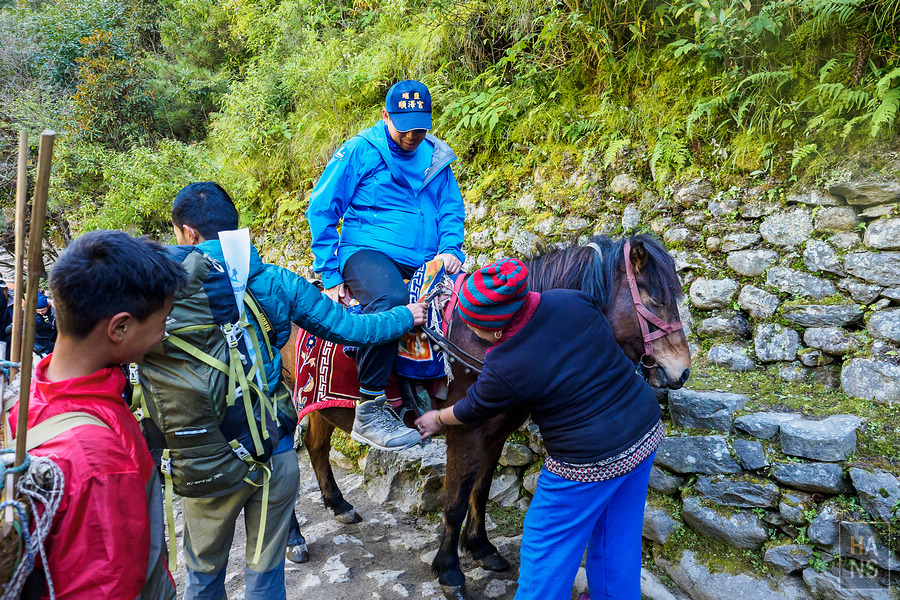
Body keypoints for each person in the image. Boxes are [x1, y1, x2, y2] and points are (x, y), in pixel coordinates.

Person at [170, 182, 426, 600]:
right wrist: (404, 315)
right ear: (234, 227)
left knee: (203, 573)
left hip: (206, 456)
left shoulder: (162, 293)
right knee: (267, 571)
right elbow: (354, 328)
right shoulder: (278, 282)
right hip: (272, 445)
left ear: (188, 233)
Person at [416, 259, 663, 600]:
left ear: (496, 330)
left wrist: (437, 418)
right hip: (644, 429)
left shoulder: (506, 363)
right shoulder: (571, 298)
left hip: (587, 462)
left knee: (544, 543)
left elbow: (473, 407)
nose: (473, 335)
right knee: (616, 535)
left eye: (476, 329)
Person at [10, 230, 186, 599]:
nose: (163, 334)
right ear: (119, 327)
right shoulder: (98, 457)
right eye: (162, 321)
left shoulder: (26, 399)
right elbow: (108, 586)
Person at [306, 79, 466, 451]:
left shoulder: (437, 157)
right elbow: (322, 207)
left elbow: (449, 208)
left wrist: (450, 248)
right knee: (392, 302)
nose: (413, 134)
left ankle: (439, 398)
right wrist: (329, 273)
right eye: (405, 125)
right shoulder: (361, 151)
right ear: (385, 116)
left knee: (465, 302)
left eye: (421, 126)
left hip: (426, 259)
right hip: (367, 251)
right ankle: (370, 406)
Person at [33, 291, 58, 357]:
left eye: (43, 310)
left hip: (51, 338)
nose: (41, 312)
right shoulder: (34, 315)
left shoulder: (53, 310)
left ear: (47, 306)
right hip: (39, 339)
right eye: (38, 311)